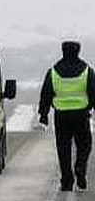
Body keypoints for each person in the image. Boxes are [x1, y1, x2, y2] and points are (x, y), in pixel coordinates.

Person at [38, 40, 94, 191]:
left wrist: (43, 114)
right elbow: (93, 93)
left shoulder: (53, 71)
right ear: (78, 51)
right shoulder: (87, 71)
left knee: (63, 148)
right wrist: (90, 107)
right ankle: (80, 167)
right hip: (81, 114)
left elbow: (46, 94)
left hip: (61, 116)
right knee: (85, 144)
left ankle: (67, 181)